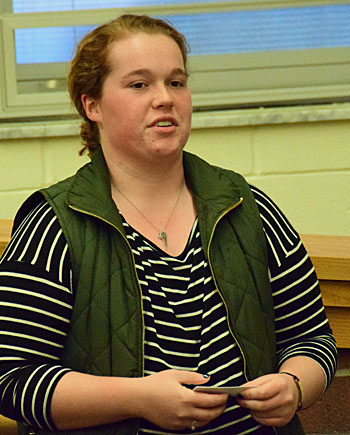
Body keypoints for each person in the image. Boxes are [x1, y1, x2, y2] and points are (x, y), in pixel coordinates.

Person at [0, 14, 337, 435]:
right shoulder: (54, 224)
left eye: (176, 82)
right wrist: (137, 398)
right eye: (139, 84)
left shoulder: (247, 207)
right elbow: (10, 379)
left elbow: (312, 340)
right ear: (93, 105)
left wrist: (294, 386)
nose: (165, 99)